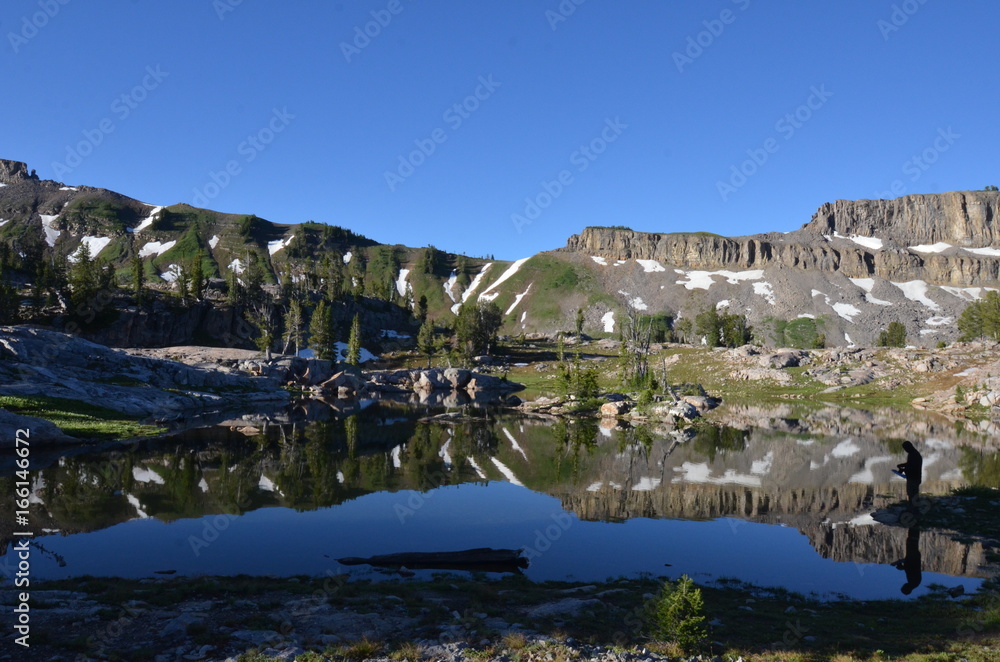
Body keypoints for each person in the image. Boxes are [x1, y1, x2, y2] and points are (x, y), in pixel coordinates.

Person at [893, 526, 922, 595]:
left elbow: (910, 569)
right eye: (904, 586)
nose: (903, 584)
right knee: (912, 542)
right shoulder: (914, 582)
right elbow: (912, 568)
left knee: (911, 542)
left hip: (913, 558)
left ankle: (914, 527)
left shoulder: (913, 583)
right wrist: (902, 566)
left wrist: (902, 566)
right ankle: (915, 527)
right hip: (913, 558)